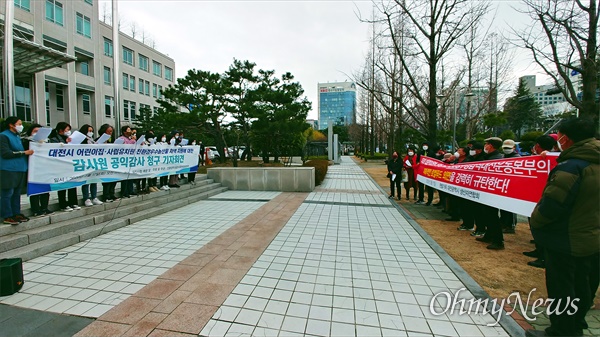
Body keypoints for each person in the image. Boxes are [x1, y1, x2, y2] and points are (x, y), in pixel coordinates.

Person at [526, 118, 599, 337]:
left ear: (565, 138)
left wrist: (535, 223)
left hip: (566, 239)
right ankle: (576, 325)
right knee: (584, 284)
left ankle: (561, 330)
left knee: (562, 287)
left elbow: (552, 206)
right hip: (591, 237)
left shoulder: (572, 167)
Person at [524, 134, 558, 269]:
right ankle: (539, 249)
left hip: (546, 197)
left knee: (545, 227)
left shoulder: (554, 158)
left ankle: (544, 256)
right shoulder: (536, 158)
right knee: (534, 223)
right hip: (533, 197)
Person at [0, 116, 34, 224]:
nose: (21, 126)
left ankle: (16, 213)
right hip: (8, 169)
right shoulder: (3, 136)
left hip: (20, 168)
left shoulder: (17, 136)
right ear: (11, 124)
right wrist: (24, 153)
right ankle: (7, 215)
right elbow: (6, 153)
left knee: (16, 193)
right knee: (7, 192)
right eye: (19, 124)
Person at [474, 137, 504, 250]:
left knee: (492, 216)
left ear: (490, 146)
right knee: (486, 214)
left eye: (486, 144)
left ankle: (498, 241)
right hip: (486, 190)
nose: (485, 146)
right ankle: (489, 235)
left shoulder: (497, 158)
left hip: (492, 192)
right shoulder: (489, 157)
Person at [49, 122, 81, 212]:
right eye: (67, 130)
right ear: (60, 130)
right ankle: (63, 204)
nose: (69, 132)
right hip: (60, 165)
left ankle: (73, 202)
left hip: (70, 164)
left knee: (72, 184)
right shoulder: (54, 139)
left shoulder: (69, 139)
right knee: (62, 185)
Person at [23, 124, 53, 217]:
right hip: (33, 169)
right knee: (35, 189)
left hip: (44, 168)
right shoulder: (26, 142)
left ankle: (44, 207)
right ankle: (35, 209)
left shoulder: (47, 142)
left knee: (45, 189)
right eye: (35, 131)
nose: (37, 134)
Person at [79, 124, 103, 207]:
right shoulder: (81, 140)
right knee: (86, 181)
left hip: (93, 162)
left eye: (92, 131)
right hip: (85, 163)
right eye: (89, 131)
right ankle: (86, 198)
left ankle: (94, 197)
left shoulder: (92, 140)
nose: (91, 132)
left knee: (94, 180)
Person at [500, 139, 520, 234]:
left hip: (512, 186)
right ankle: (504, 223)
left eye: (508, 148)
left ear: (514, 148)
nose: (506, 150)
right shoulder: (503, 157)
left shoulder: (517, 158)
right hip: (503, 185)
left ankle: (510, 226)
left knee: (510, 208)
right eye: (505, 148)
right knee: (503, 207)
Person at [97, 124, 119, 202]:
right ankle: (106, 196)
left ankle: (111, 194)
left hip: (112, 162)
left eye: (111, 131)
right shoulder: (98, 140)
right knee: (106, 180)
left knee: (114, 179)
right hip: (104, 162)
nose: (110, 133)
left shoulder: (112, 139)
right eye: (109, 131)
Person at [117, 126, 136, 198]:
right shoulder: (121, 139)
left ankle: (130, 190)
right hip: (124, 160)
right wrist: (133, 140)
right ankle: (124, 192)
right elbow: (126, 147)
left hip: (130, 159)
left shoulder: (130, 139)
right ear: (125, 132)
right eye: (128, 130)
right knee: (125, 177)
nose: (130, 131)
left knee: (130, 176)